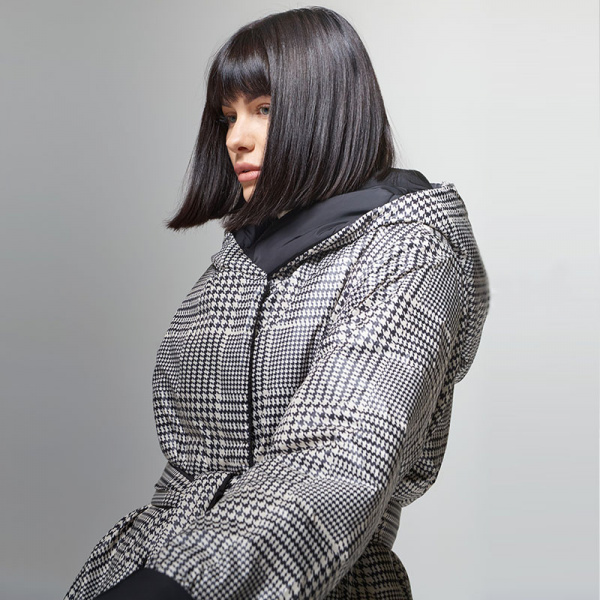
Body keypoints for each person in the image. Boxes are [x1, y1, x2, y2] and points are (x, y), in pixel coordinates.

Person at [64, 6, 490, 600]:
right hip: (143, 567)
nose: (236, 137)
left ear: (329, 109)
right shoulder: (239, 260)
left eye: (262, 109)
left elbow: (337, 463)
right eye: (229, 115)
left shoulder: (407, 253)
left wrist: (178, 585)